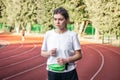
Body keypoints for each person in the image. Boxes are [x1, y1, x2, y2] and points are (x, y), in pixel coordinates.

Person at [41, 7, 82, 80]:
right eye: (55, 19)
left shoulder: (72, 35)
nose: (57, 22)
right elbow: (42, 53)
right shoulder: (48, 34)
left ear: (66, 20)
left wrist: (67, 60)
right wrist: (49, 53)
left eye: (60, 19)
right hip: (53, 72)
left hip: (69, 72)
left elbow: (79, 55)